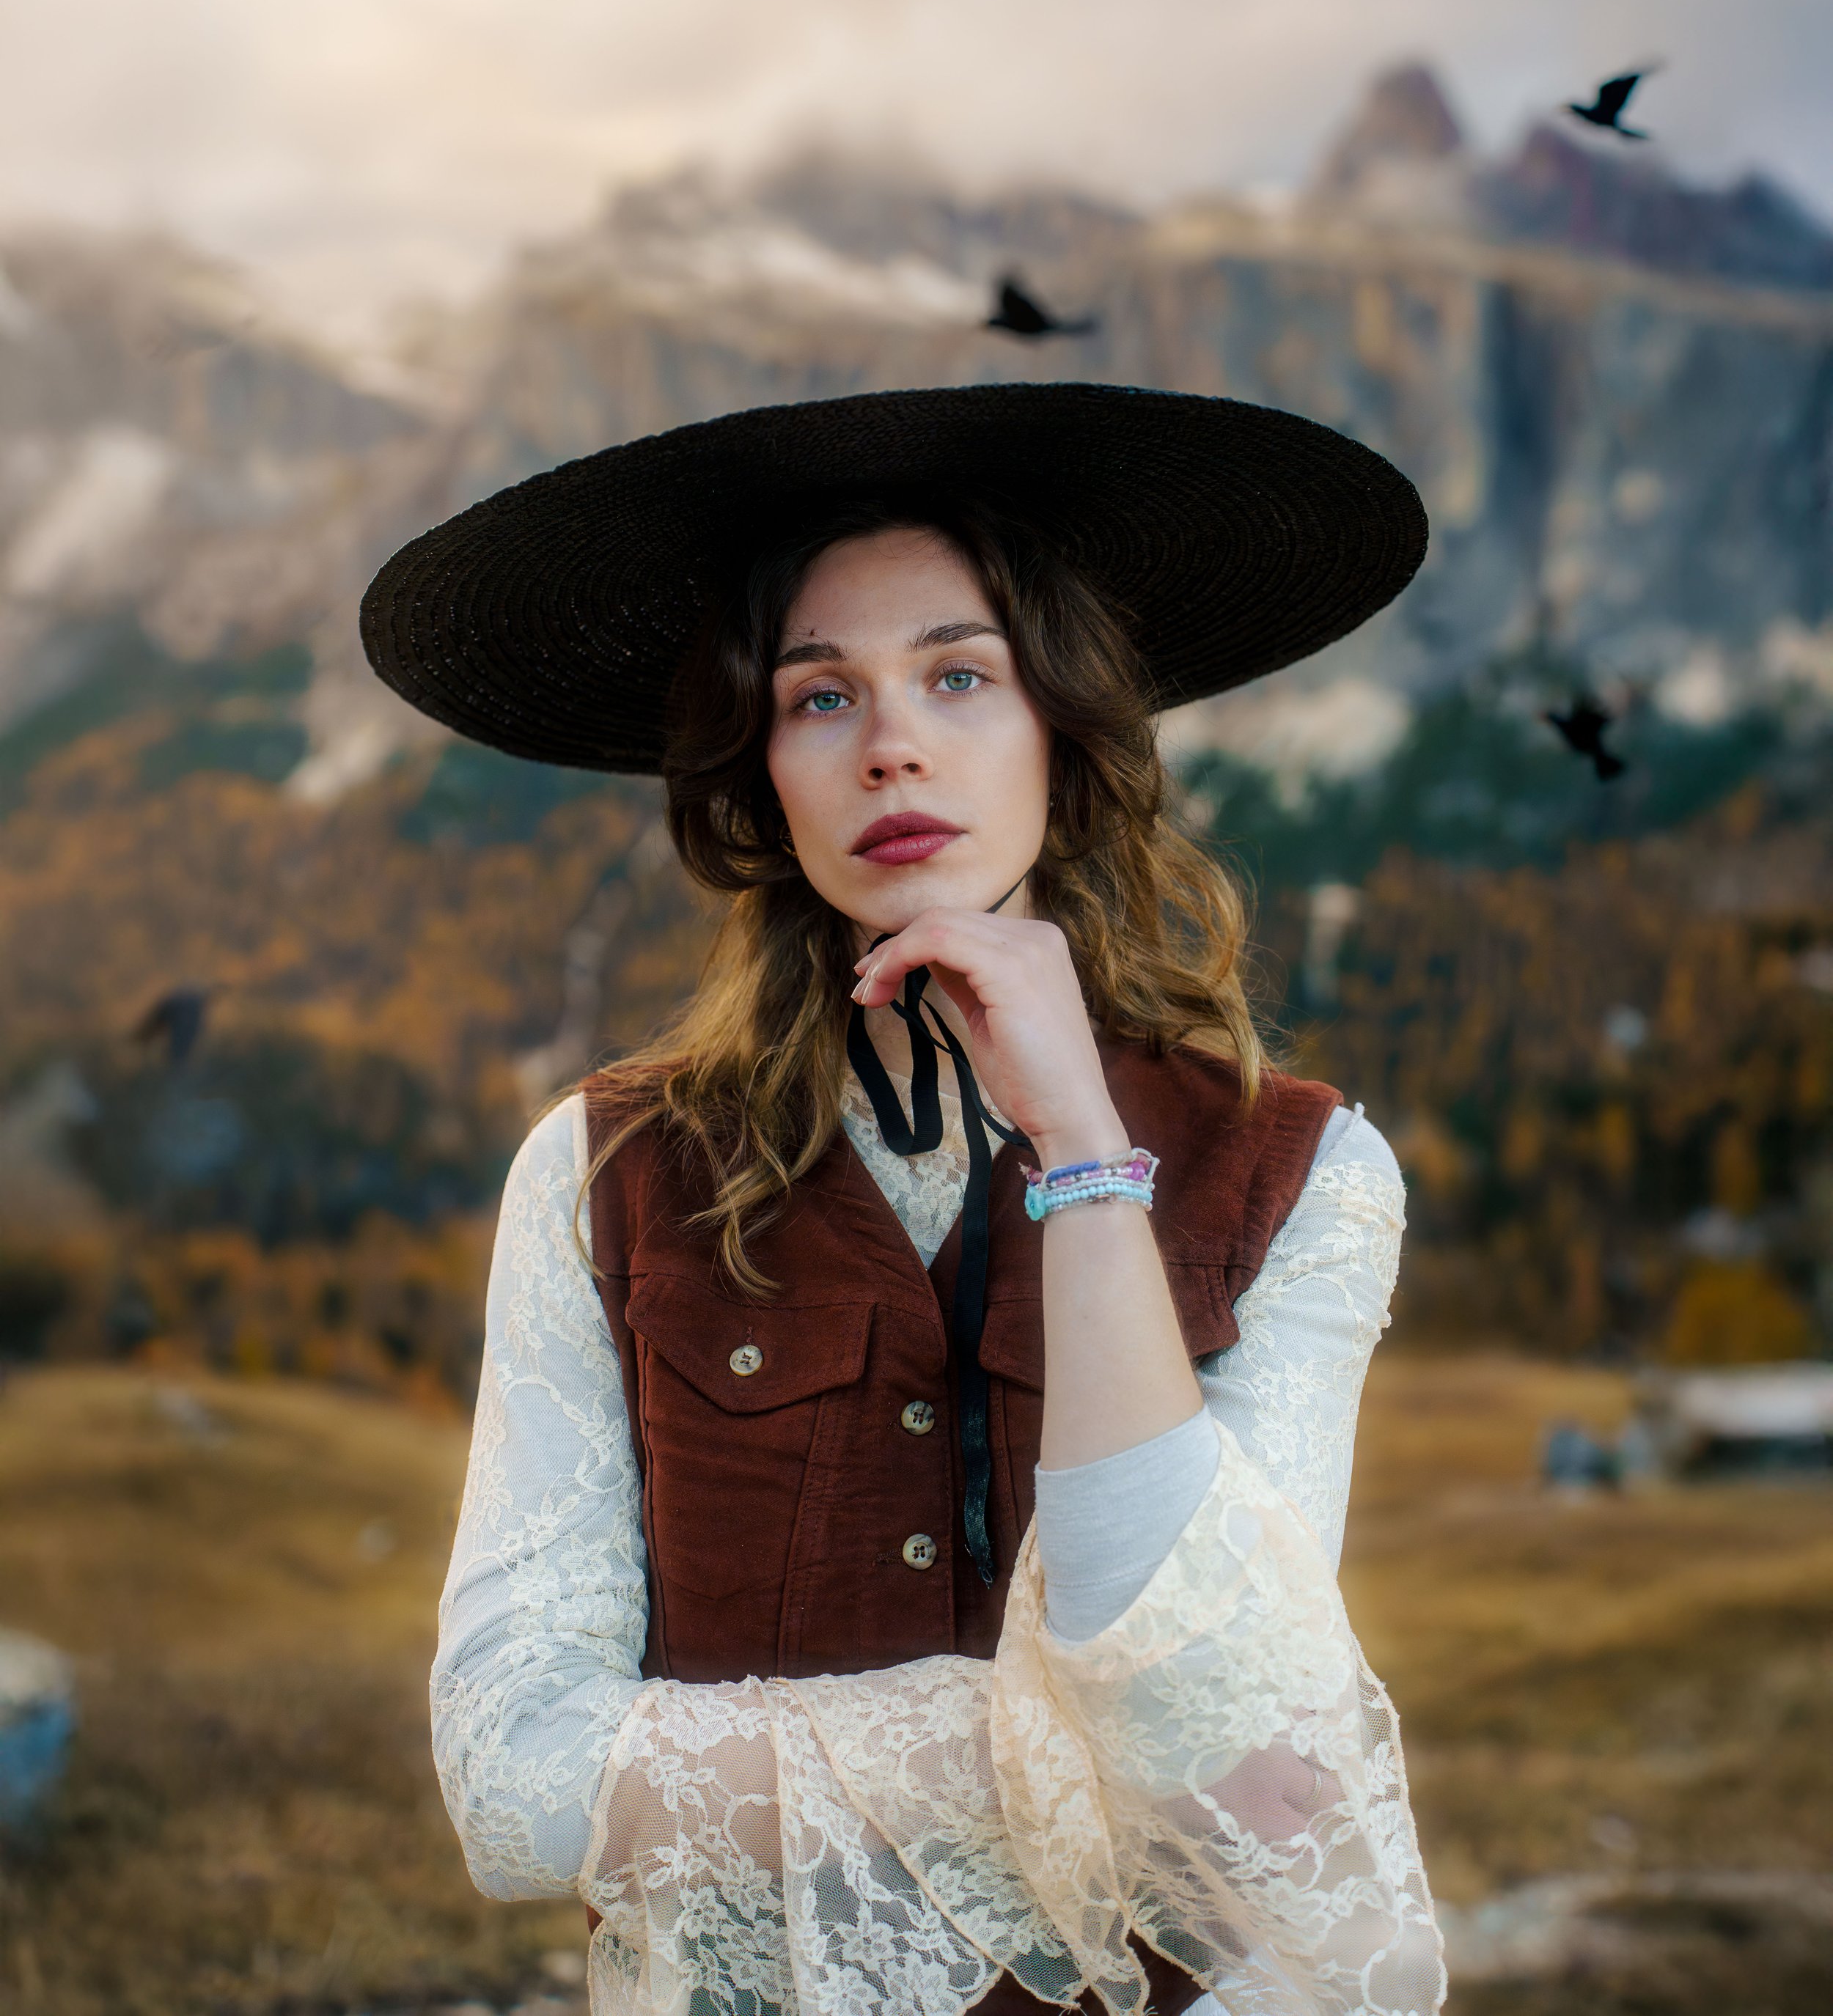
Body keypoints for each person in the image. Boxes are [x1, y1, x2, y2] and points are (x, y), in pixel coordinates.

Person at [362, 383, 1445, 2016]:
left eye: (959, 674)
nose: (891, 744)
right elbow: (513, 1787)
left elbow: (1223, 1752)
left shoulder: (1300, 1174)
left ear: (1060, 737)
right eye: (817, 696)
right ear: (759, 775)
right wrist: (1055, 1736)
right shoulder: (601, 1175)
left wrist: (1081, 1147)